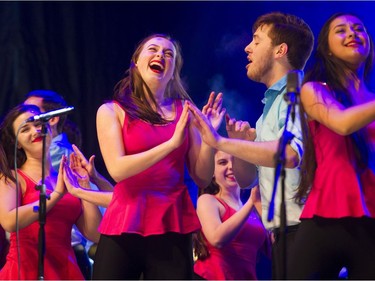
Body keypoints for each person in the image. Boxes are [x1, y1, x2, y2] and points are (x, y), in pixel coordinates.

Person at [188, 12, 314, 279]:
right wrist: (240, 144)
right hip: (285, 231)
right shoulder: (269, 107)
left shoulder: (299, 94)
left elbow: (290, 154)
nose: (247, 47)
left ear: (280, 50)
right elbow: (247, 181)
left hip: (306, 228)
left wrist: (221, 141)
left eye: (256, 41)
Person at [93, 33, 225, 280]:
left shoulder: (185, 112)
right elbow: (118, 170)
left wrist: (209, 137)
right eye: (152, 49)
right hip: (125, 221)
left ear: (173, 70)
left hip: (172, 221)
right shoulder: (112, 111)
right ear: (136, 63)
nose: (160, 56)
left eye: (168, 54)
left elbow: (201, 177)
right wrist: (171, 144)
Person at [287, 13, 375, 279]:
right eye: (341, 30)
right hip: (324, 214)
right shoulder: (314, 90)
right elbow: (342, 123)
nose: (352, 33)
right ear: (326, 49)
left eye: (359, 29)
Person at [0, 104, 102, 280]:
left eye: (39, 124)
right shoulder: (12, 178)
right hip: (26, 270)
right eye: (25, 129)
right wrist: (55, 196)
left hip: (66, 270)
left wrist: (84, 185)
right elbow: (10, 221)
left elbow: (95, 233)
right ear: (16, 144)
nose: (36, 130)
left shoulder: (67, 177)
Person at [23, 89, 112, 279]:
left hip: (66, 255)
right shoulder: (18, 170)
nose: (27, 118)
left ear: (52, 119)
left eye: (32, 112)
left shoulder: (63, 160)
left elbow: (94, 230)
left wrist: (85, 185)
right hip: (30, 258)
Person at [193, 150, 270, 280]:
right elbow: (217, 239)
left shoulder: (253, 206)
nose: (231, 167)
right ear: (211, 171)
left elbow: (273, 250)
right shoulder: (208, 200)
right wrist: (251, 202)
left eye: (236, 162)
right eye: (223, 162)